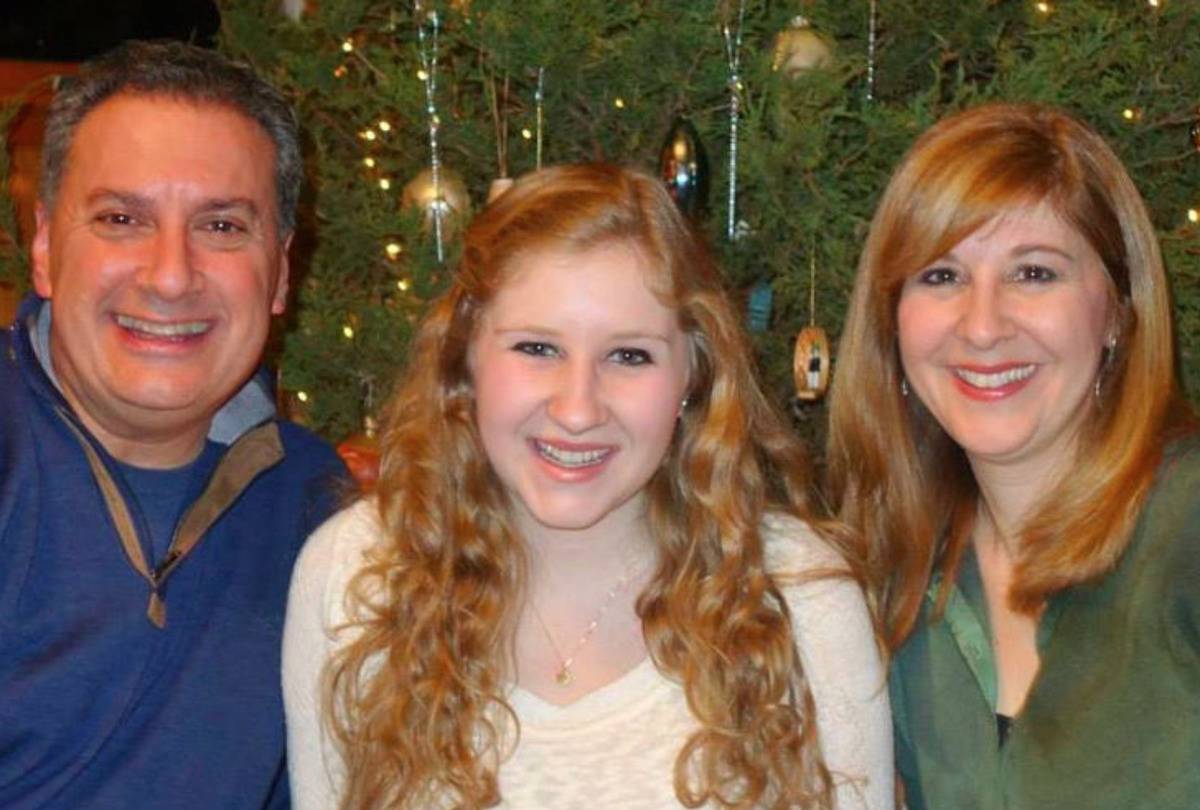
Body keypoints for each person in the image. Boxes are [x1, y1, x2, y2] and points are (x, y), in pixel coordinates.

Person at [284, 163, 892, 809]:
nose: (578, 409)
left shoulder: (799, 596)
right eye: (537, 349)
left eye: (629, 356)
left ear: (693, 376)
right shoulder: (355, 576)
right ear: (464, 356)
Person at [0, 41, 346, 808]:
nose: (169, 275)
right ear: (47, 246)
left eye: (222, 227)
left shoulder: (316, 508)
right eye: (122, 218)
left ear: (282, 271)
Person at [826, 102, 1199, 809]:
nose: (984, 325)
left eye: (1034, 274)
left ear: (1119, 310)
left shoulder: (1185, 528)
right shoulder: (900, 578)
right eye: (941, 277)